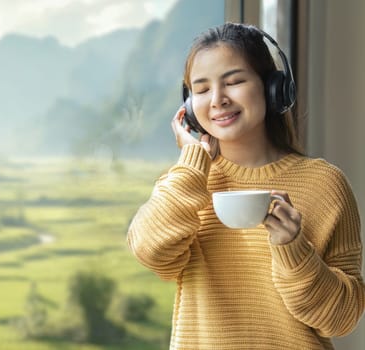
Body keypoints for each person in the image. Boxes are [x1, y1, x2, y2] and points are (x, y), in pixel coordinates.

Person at [127, 22, 364, 350]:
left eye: (234, 82)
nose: (218, 100)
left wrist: (293, 247)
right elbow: (151, 253)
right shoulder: (186, 181)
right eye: (202, 88)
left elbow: (341, 318)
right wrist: (194, 159)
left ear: (273, 88)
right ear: (188, 107)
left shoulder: (326, 184)